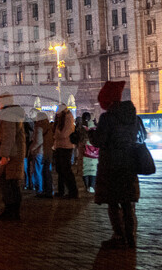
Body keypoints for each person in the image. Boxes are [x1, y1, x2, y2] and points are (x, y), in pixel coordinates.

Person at [89, 81, 142, 249]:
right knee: (127, 203)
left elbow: (99, 141)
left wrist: (91, 133)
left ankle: (118, 236)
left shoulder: (107, 117)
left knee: (113, 202)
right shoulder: (132, 116)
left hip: (111, 165)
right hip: (129, 163)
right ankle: (130, 237)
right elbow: (139, 136)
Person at [0, 93, 26, 221]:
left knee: (7, 182)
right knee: (11, 183)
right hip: (14, 153)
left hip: (11, 154)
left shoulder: (8, 115)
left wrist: (4, 155)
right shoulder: (12, 114)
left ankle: (11, 211)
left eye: (0, 102)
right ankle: (12, 211)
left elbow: (8, 136)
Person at [52, 105, 78, 198]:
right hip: (59, 146)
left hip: (66, 146)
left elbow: (64, 134)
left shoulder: (68, 118)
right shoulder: (61, 119)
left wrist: (56, 135)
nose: (57, 114)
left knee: (66, 170)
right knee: (59, 169)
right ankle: (61, 190)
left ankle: (73, 191)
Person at [75, 112, 98, 193]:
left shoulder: (80, 127)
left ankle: (87, 186)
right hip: (94, 151)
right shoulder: (95, 127)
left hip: (83, 150)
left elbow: (77, 138)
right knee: (93, 168)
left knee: (84, 169)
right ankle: (91, 186)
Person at [31, 112, 50, 197]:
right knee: (46, 171)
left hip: (39, 151)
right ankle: (48, 189)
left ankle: (40, 189)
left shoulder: (39, 127)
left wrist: (32, 149)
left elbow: (38, 141)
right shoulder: (49, 127)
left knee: (38, 171)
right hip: (47, 151)